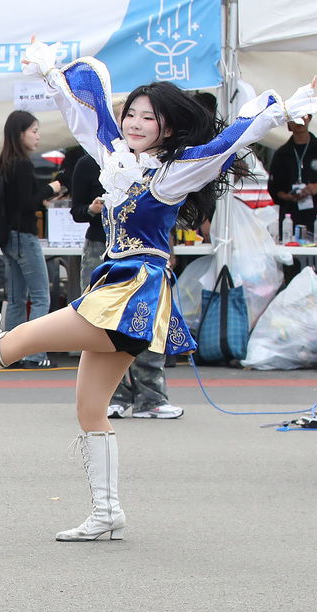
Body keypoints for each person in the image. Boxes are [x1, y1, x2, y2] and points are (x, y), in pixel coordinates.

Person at [0, 40, 317, 542]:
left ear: (169, 127)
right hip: (119, 289)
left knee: (26, 336)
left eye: (148, 118)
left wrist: (279, 111)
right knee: (90, 408)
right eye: (132, 113)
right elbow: (84, 121)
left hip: (132, 291)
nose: (135, 123)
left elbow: (228, 144)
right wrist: (52, 75)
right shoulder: (119, 161)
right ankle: (107, 513)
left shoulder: (175, 171)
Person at [71, 152, 184, 420]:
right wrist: (92, 209)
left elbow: (162, 211)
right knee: (103, 323)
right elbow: (76, 211)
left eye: (144, 118)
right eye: (128, 118)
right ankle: (113, 396)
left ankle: (152, 397)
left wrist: (168, 248)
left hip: (144, 252)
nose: (134, 126)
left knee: (146, 321)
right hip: (102, 248)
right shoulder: (89, 162)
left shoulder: (156, 165)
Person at [0, 109, 62, 368]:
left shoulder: (5, 162)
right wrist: (51, 188)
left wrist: (42, 193)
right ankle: (35, 354)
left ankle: (9, 354)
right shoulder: (22, 164)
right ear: (20, 133)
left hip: (8, 238)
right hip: (24, 236)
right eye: (34, 131)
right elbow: (27, 203)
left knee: (15, 298)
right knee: (40, 296)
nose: (38, 137)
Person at [268, 113, 317, 237]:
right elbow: (275, 188)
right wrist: (288, 196)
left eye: (304, 116)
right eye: (294, 118)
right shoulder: (282, 154)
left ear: (310, 118)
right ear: (288, 122)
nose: (299, 121)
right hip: (291, 218)